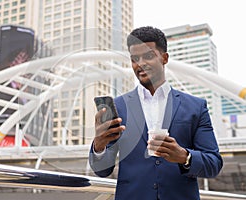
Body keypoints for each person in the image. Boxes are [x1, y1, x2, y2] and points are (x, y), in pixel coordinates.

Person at [89, 26, 223, 200]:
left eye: (149, 56)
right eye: (135, 58)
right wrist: (99, 145)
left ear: (164, 58)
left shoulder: (195, 107)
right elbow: (101, 171)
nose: (141, 63)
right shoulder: (119, 107)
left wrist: (185, 157)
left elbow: (214, 163)